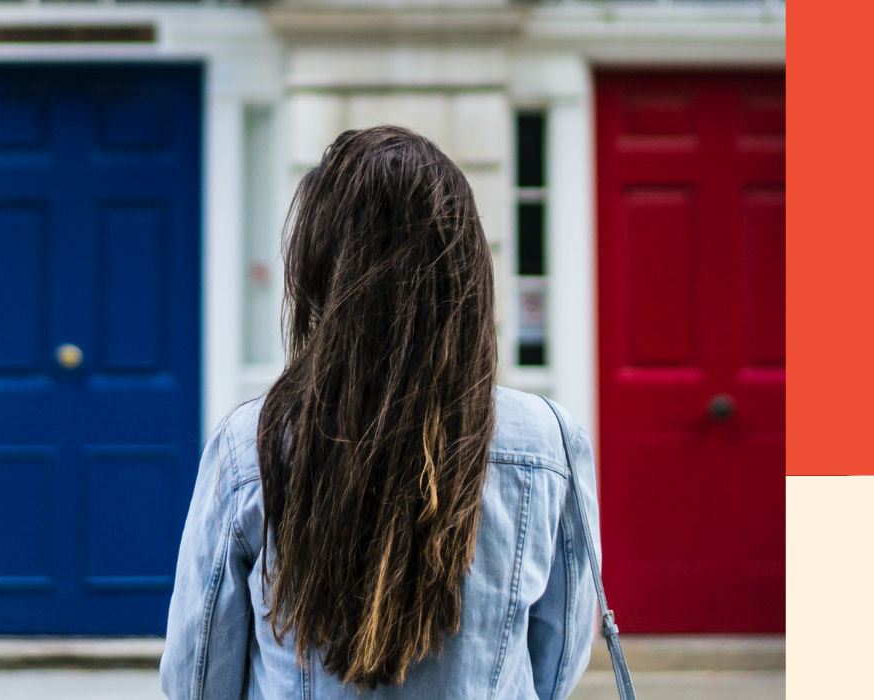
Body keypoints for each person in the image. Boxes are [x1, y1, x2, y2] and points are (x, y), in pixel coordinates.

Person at [161, 126, 601, 700]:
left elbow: (197, 676)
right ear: (466, 271)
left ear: (320, 275)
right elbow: (558, 661)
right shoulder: (550, 442)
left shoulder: (251, 442)